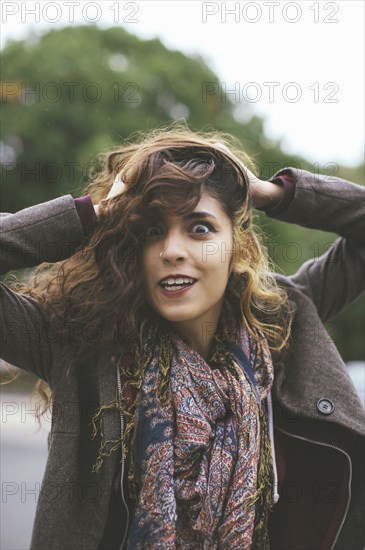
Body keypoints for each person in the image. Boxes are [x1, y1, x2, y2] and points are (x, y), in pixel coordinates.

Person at [1, 126, 364, 550]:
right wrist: (95, 213)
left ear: (237, 247)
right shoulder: (76, 341)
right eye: (152, 231)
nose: (172, 250)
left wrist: (271, 192)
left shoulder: (285, 320)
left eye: (200, 228)